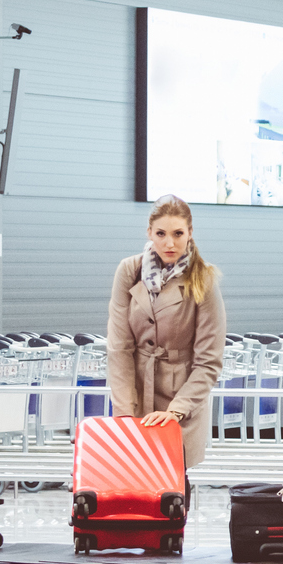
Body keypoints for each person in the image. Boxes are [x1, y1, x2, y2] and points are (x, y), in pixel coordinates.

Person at [107, 195, 226, 469]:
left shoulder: (204, 278)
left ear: (190, 233)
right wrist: (125, 413)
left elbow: (208, 361)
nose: (169, 243)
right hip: (134, 397)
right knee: (133, 492)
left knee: (172, 493)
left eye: (178, 234)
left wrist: (176, 410)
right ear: (149, 232)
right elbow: (119, 347)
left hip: (179, 407)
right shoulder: (129, 270)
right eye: (160, 233)